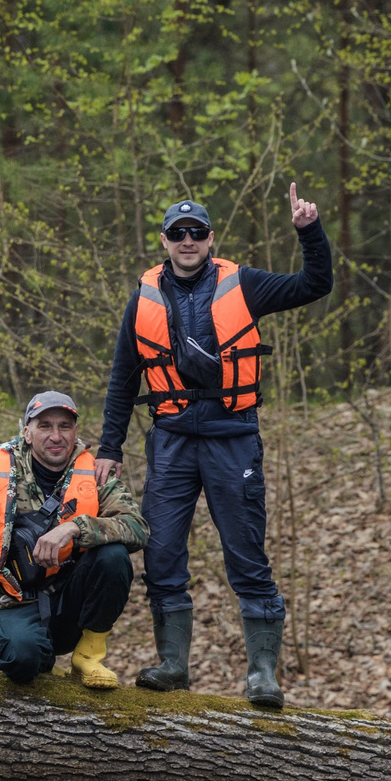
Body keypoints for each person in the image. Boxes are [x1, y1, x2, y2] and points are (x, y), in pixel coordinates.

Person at [94, 187, 332, 707]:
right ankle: (173, 665)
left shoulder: (241, 283)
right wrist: (109, 447)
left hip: (233, 438)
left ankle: (263, 674)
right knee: (160, 553)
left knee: (246, 552)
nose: (187, 241)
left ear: (210, 238)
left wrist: (308, 231)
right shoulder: (143, 299)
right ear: (163, 240)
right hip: (173, 441)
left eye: (196, 232)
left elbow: (315, 283)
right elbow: (120, 381)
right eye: (177, 233)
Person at [0, 391, 147, 687]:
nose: (56, 435)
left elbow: (137, 527)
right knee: (23, 660)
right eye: (44, 426)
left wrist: (76, 527)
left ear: (76, 431)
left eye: (65, 426)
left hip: (69, 605)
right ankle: (38, 657)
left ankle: (88, 657)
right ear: (26, 432)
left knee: (113, 556)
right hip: (8, 602)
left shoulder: (95, 475)